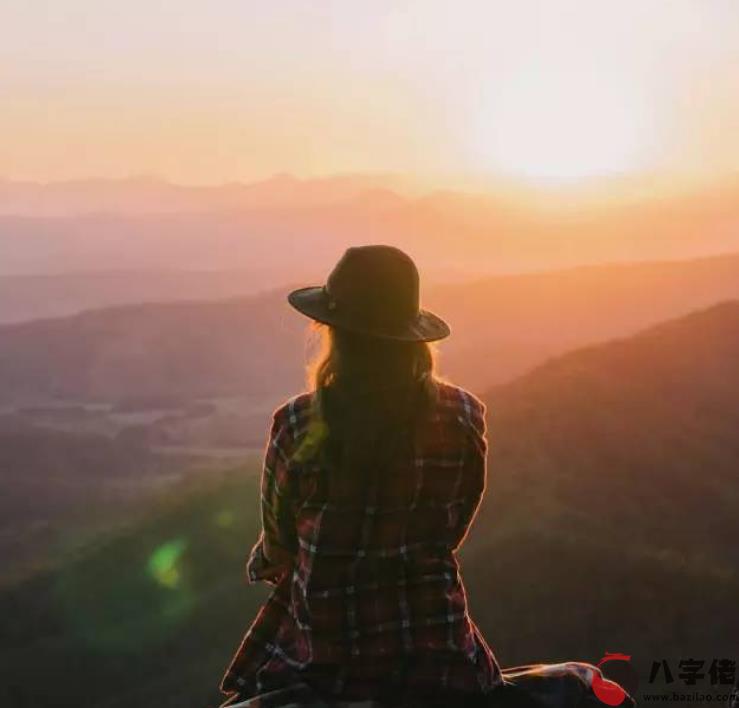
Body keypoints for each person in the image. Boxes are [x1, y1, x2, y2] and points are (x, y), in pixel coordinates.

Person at [219, 245, 502, 707]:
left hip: (328, 666)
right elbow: (454, 526)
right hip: (442, 656)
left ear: (334, 335)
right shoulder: (464, 415)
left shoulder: (297, 424)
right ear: (414, 337)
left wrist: (272, 561)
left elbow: (279, 544)